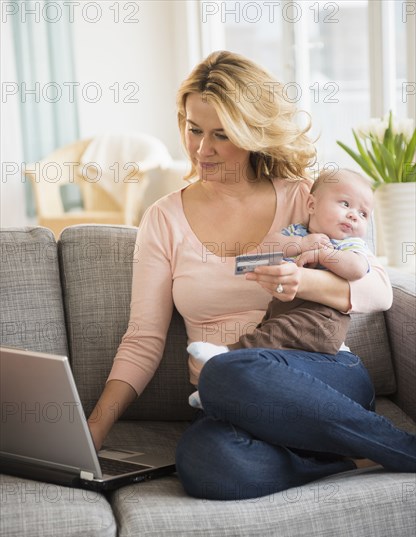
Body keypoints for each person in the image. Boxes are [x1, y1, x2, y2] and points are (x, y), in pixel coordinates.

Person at [87, 51, 415, 500]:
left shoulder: (306, 198)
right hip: (234, 401)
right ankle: (349, 455)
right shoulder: (163, 219)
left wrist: (306, 282)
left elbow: (380, 292)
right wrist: (94, 429)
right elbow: (144, 337)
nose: (203, 149)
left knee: (220, 369)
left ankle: (403, 449)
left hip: (323, 375)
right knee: (204, 462)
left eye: (222, 135)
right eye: (193, 128)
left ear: (252, 132)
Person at [187, 168, 375, 408]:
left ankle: (226, 355)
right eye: (345, 204)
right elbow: (264, 250)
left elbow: (358, 268)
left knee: (275, 333)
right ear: (311, 204)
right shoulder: (297, 232)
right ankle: (216, 391)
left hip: (322, 320)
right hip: (283, 310)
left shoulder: (348, 244)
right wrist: (300, 244)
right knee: (268, 341)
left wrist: (323, 254)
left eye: (363, 213)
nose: (353, 216)